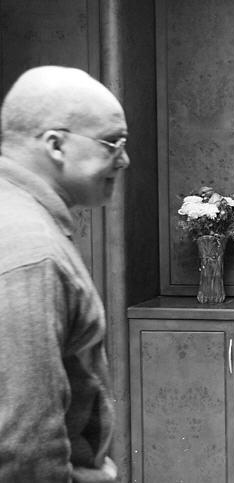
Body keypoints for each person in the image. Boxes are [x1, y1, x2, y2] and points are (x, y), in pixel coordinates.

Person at [0, 66, 129, 481]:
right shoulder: (32, 251)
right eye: (112, 143)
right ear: (56, 145)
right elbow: (26, 449)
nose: (124, 160)